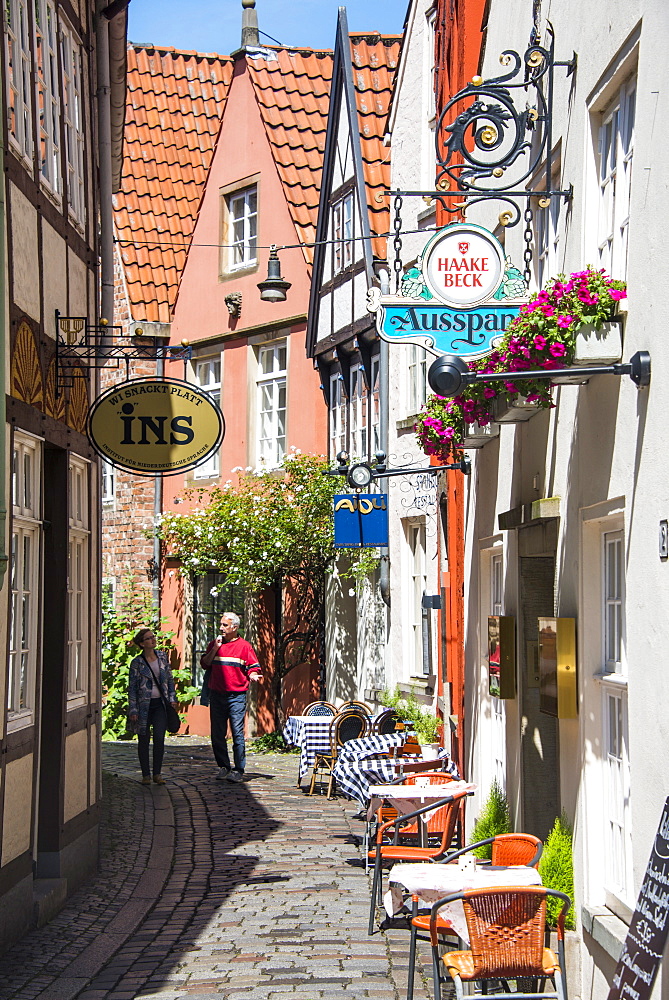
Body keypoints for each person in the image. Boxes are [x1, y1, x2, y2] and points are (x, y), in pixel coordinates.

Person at [200, 612, 262, 782]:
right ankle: (223, 766)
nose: (221, 628)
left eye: (225, 625)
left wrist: (253, 675)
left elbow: (253, 666)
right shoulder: (215, 644)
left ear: (235, 627)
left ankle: (238, 769)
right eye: (221, 624)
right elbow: (205, 664)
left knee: (237, 733)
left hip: (237, 695)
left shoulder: (244, 646)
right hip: (217, 695)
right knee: (217, 734)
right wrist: (215, 648)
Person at [128, 628, 178, 785]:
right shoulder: (137, 663)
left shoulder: (162, 657)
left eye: (153, 637)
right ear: (142, 644)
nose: (153, 640)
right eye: (148, 638)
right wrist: (133, 709)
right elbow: (132, 688)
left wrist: (172, 698)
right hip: (143, 705)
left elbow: (169, 680)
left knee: (159, 738)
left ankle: (157, 773)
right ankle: (145, 775)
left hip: (160, 704)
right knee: (143, 739)